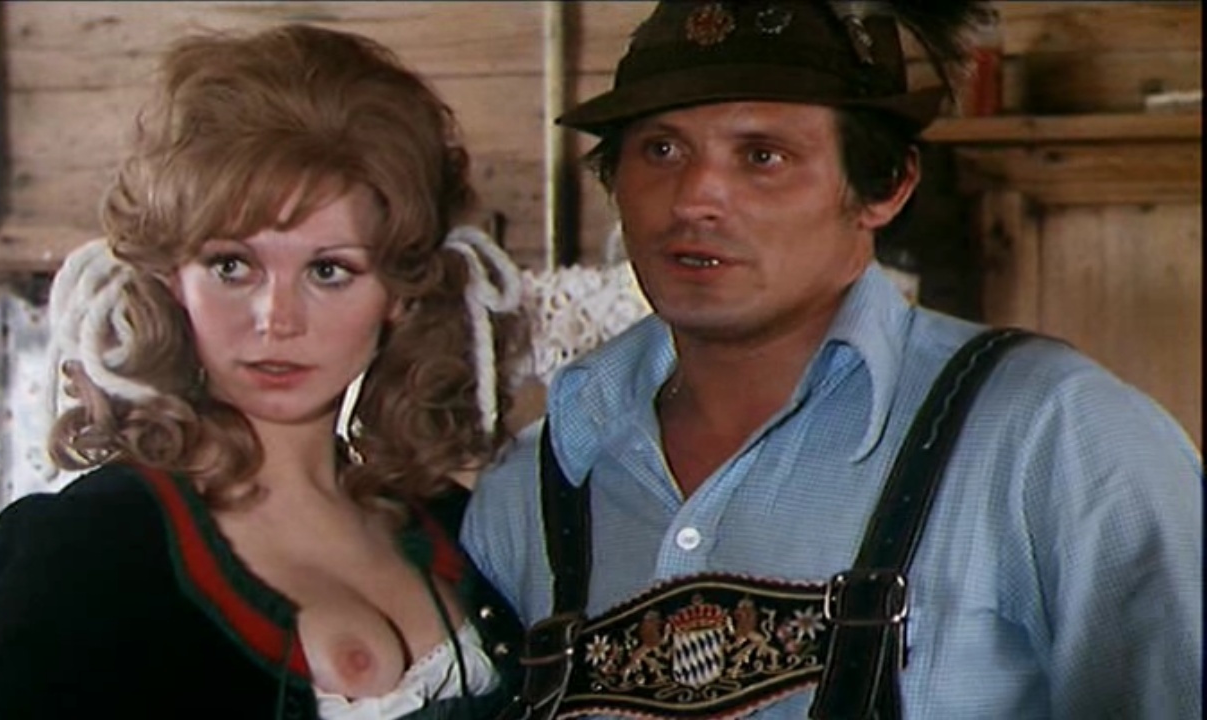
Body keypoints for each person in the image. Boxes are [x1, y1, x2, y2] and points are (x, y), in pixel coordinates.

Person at [462, 2, 1202, 719]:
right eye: (662, 150)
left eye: (762, 156)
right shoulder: (533, 487)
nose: (695, 198)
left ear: (886, 188)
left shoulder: (1053, 437)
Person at [0, 24, 528, 720]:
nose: (276, 319)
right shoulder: (95, 544)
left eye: (328, 271)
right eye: (233, 266)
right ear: (173, 279)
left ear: (400, 295)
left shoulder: (458, 525)